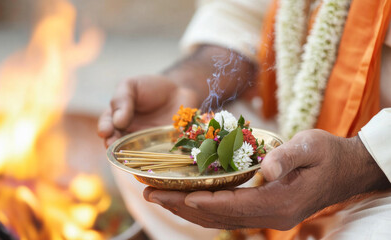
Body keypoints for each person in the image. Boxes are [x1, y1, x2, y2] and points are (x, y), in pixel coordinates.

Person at [99, 0, 391, 239]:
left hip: (380, 164)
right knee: (140, 154)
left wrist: (361, 162)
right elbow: (241, 15)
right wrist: (188, 83)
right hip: (293, 111)